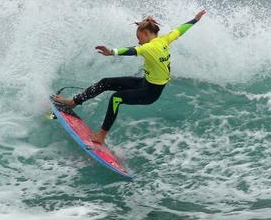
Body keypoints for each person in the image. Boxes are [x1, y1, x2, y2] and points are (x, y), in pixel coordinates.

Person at [52, 9, 207, 144]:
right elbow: (181, 29)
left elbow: (131, 50)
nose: (138, 41)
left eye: (139, 37)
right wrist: (195, 19)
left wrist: (111, 52)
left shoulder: (148, 47)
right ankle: (73, 102)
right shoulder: (165, 39)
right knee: (106, 82)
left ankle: (101, 135)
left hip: (150, 93)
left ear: (146, 34)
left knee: (116, 98)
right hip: (146, 83)